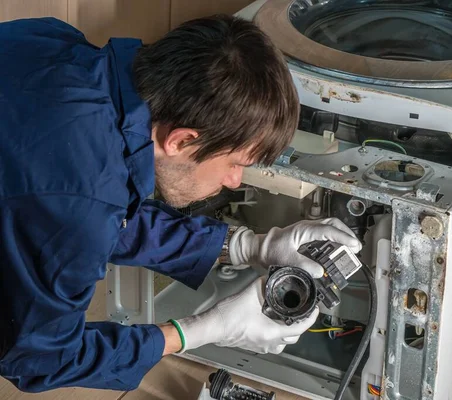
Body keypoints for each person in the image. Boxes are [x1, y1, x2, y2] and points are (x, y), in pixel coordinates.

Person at [0, 15, 362, 392]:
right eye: (235, 163)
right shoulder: (80, 203)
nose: (234, 181)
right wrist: (202, 329)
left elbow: (96, 210)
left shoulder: (52, 39)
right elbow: (41, 359)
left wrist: (247, 246)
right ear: (182, 141)